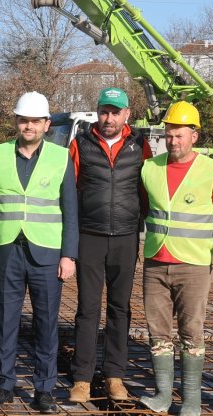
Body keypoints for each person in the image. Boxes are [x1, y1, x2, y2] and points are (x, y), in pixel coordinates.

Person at [0, 92, 78, 414]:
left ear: (47, 125)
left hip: (47, 253)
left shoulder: (60, 157)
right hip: (7, 250)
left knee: (46, 324)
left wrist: (69, 255)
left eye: (36, 121)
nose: (29, 126)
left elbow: (70, 210)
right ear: (16, 122)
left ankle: (44, 389)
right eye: (24, 120)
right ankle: (3, 385)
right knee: (5, 322)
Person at [138, 101, 213, 416]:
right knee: (158, 331)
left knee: (192, 331)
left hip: (193, 266)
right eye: (169, 135)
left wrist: (204, 240)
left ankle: (191, 401)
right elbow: (144, 208)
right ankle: (164, 395)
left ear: (194, 135)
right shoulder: (150, 168)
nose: (173, 141)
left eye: (180, 135)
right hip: (154, 261)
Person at [66, 87, 151, 404]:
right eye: (104, 111)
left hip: (125, 238)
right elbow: (71, 193)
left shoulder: (139, 146)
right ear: (97, 112)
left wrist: (139, 224)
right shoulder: (81, 144)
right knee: (87, 310)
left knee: (120, 310)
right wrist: (70, 242)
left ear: (127, 114)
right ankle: (82, 379)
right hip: (90, 236)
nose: (109, 117)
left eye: (116, 112)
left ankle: (115, 376)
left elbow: (146, 190)